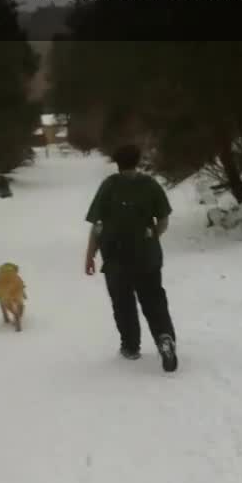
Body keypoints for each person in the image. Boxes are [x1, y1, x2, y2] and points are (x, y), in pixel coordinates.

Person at [84, 144, 178, 371]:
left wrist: (90, 255)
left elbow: (98, 225)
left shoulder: (109, 186)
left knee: (123, 304)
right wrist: (153, 233)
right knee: (154, 301)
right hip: (147, 257)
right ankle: (164, 339)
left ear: (117, 163)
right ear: (138, 160)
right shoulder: (150, 185)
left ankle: (130, 346)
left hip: (116, 258)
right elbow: (163, 220)